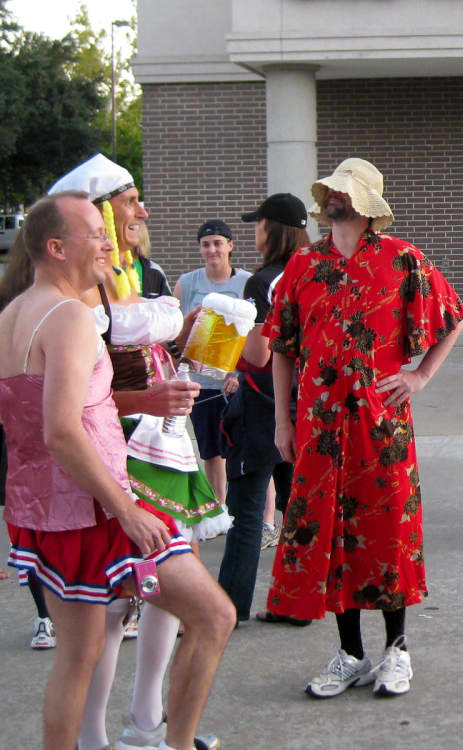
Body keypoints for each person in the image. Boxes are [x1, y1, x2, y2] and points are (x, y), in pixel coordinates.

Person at [1, 191, 234, 750]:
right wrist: (129, 511)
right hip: (100, 509)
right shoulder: (71, 318)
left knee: (76, 660)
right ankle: (170, 743)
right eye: (94, 232)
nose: (107, 241)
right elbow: (61, 430)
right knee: (213, 616)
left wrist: (146, 401)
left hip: (45, 511)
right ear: (57, 248)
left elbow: (62, 407)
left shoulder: (11, 315)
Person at [259, 157, 463, 698]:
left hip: (382, 427)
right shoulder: (303, 266)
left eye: (344, 191)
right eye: (330, 190)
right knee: (332, 536)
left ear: (365, 204)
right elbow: (282, 347)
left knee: (389, 532)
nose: (333, 198)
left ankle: (396, 650)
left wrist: (421, 375)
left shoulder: (402, 260)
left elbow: (454, 314)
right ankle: (350, 652)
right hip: (318, 428)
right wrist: (282, 419)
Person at [217, 193, 309, 623]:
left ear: (273, 229)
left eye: (258, 223)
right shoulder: (317, 269)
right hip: (308, 405)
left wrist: (222, 331)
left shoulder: (263, 281)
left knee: (248, 510)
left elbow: (258, 355)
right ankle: (299, 603)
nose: (254, 230)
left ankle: (229, 607)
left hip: (265, 406)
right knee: (297, 507)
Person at [0, 230, 58, 649]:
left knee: (32, 523)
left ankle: (47, 616)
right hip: (29, 428)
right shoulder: (21, 306)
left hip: (31, 429)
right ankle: (47, 615)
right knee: (37, 522)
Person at [173, 221, 251, 505]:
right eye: (206, 244)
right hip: (200, 381)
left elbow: (255, 336)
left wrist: (240, 374)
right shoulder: (187, 283)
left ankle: (252, 511)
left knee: (243, 447)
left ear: (230, 245)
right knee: (210, 451)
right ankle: (218, 507)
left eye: (218, 243)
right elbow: (176, 332)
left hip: (235, 383)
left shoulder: (245, 282)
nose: (212, 249)